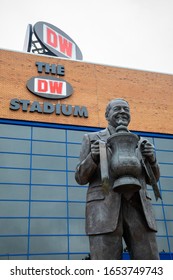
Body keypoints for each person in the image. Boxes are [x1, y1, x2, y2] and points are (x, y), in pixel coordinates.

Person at [75, 98, 161, 260]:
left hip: (139, 209)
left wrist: (152, 159)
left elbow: (153, 179)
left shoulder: (141, 142)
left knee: (150, 262)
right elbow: (80, 177)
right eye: (117, 109)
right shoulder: (92, 139)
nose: (122, 112)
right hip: (104, 210)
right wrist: (93, 157)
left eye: (126, 109)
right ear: (107, 115)